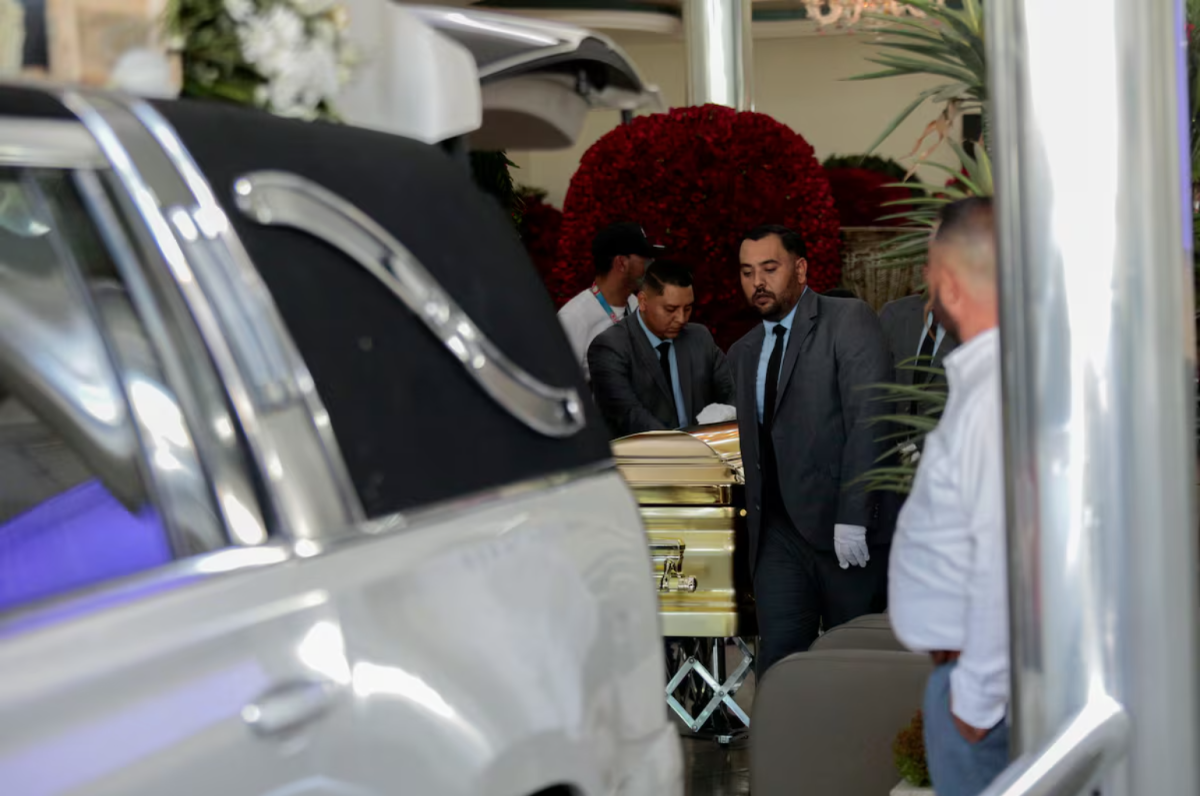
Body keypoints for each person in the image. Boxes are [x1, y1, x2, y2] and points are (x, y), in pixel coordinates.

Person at [728, 224, 892, 675]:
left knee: (855, 668)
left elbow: (870, 418)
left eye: (769, 268)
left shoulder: (848, 319)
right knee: (779, 665)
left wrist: (854, 516)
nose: (757, 282)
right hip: (775, 536)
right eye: (747, 271)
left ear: (800, 269)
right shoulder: (744, 351)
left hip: (843, 529)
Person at [889, 197, 1008, 796]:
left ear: (953, 285)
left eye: (932, 276)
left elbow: (1003, 554)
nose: (927, 296)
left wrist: (975, 702)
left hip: (980, 697)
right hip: (971, 681)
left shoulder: (994, 400)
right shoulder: (990, 382)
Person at [588, 260, 735, 438]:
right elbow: (630, 417)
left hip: (704, 447)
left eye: (688, 308)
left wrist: (726, 415)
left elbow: (733, 393)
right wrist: (686, 446)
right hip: (644, 453)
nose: (681, 319)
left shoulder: (699, 338)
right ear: (643, 301)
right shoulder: (610, 347)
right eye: (671, 309)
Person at [876, 286, 961, 537]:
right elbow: (875, 383)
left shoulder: (980, 322)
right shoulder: (895, 314)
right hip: (890, 465)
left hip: (948, 473)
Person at [557, 222, 663, 380]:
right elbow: (558, 385)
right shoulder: (573, 319)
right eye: (645, 258)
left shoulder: (636, 305)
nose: (651, 263)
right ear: (621, 263)